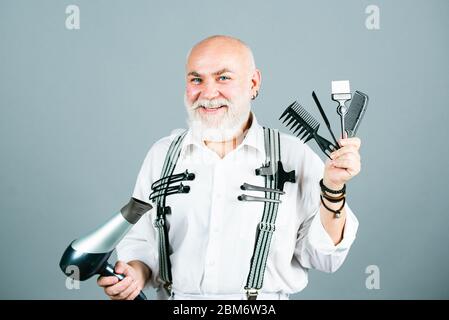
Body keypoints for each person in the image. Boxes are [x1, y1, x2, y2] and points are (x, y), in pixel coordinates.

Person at [97, 35, 361, 300]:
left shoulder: (294, 156)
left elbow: (327, 259)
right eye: (196, 79)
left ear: (253, 83)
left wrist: (334, 188)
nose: (209, 93)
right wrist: (133, 275)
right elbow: (141, 245)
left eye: (223, 78)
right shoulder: (161, 156)